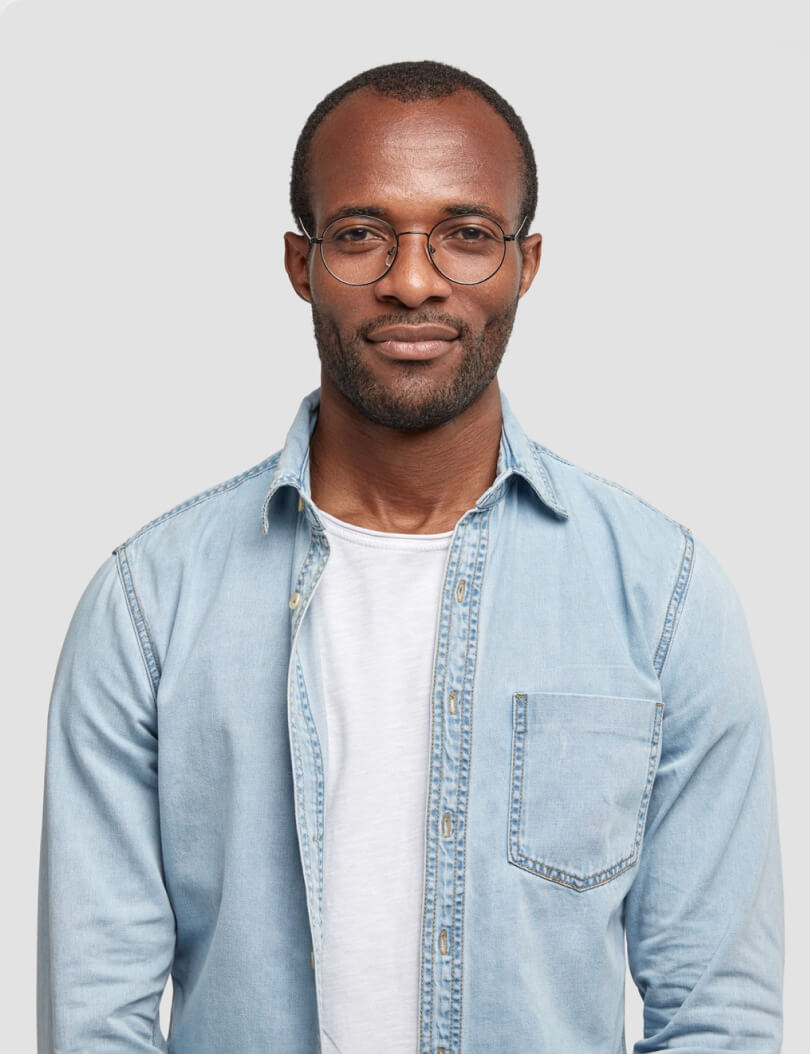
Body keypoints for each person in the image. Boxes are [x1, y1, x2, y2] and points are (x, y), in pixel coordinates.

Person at [37, 60, 784, 1053]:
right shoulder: (148, 602)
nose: (414, 279)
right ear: (301, 265)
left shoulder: (664, 597)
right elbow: (95, 1014)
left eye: (467, 235)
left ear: (528, 262)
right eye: (361, 235)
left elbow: (717, 1013)